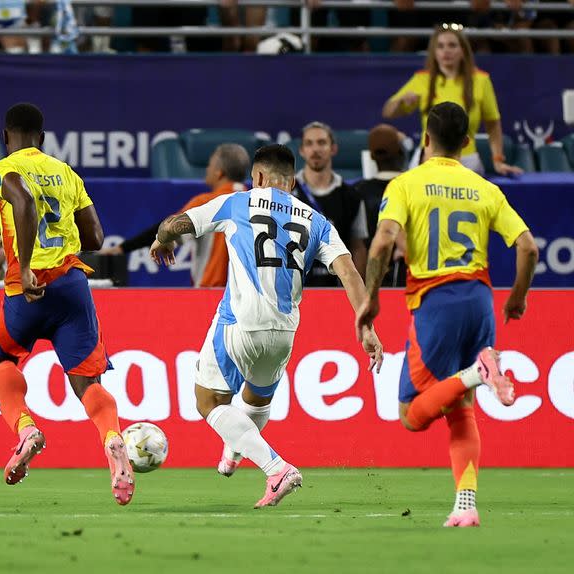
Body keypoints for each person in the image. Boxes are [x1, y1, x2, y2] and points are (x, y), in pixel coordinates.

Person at [150, 144, 383, 508]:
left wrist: (163, 239)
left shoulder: (238, 202)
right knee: (256, 399)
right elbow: (350, 272)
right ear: (291, 182)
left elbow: (176, 223)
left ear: (257, 177)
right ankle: (235, 449)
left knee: (208, 401)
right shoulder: (316, 220)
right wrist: (366, 327)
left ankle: (276, 468)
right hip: (284, 332)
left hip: (241, 322)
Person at [357, 102, 539, 528]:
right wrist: (517, 298)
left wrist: (372, 297)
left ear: (424, 139)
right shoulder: (485, 188)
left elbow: (382, 243)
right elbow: (527, 247)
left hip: (435, 302)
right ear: (466, 143)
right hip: (479, 300)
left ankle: (478, 372)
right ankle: (466, 504)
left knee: (410, 415)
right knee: (461, 409)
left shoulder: (406, 184)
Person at [0, 103, 135, 505]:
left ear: (6, 136)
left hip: (26, 287)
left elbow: (24, 203)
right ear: (43, 138)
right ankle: (113, 438)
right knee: (88, 381)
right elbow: (97, 237)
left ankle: (26, 428)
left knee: (0, 357)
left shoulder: (0, 170)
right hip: (71, 286)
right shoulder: (67, 174)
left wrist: (30, 265)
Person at [101, 143, 250, 288]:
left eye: (210, 165)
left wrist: (123, 248)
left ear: (219, 172)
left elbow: (170, 228)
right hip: (251, 298)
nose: (207, 169)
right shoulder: (257, 202)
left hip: (212, 294)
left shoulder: (206, 202)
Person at [382, 25, 522, 176]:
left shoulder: (481, 80)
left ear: (463, 50)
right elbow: (388, 112)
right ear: (434, 52)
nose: (446, 51)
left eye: (452, 45)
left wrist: (498, 159)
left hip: (467, 160)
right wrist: (400, 101)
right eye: (440, 46)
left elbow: (493, 124)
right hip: (428, 158)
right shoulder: (422, 79)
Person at [294, 121, 369, 281]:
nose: (315, 149)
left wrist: (358, 291)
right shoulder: (287, 193)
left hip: (336, 288)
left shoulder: (351, 196)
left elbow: (358, 247)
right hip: (294, 288)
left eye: (321, 143)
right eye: (309, 144)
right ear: (301, 150)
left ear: (333, 148)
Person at [353, 124, 407, 285]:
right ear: (400, 152)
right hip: (408, 282)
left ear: (371, 156)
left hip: (369, 280)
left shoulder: (357, 192)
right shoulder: (415, 188)